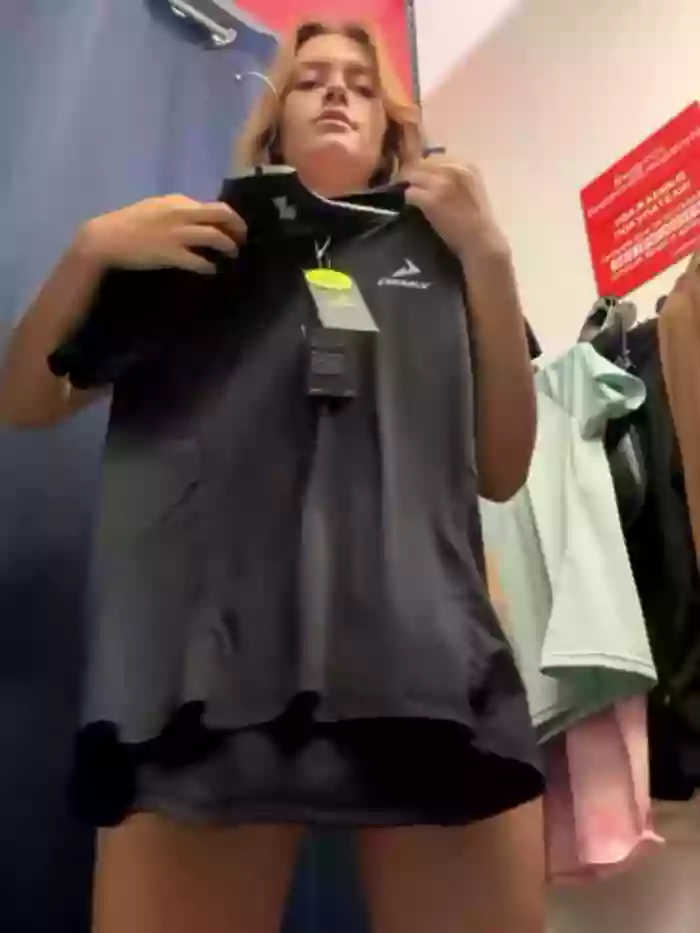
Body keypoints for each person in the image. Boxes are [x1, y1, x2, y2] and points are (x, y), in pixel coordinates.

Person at [0, 19, 545, 933]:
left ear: (392, 128)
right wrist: (89, 251)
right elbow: (25, 399)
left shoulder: (454, 257)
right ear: (274, 116)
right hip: (208, 672)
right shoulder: (196, 245)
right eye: (311, 79)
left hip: (429, 669)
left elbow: (502, 470)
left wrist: (490, 258)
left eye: (361, 85)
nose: (336, 92)